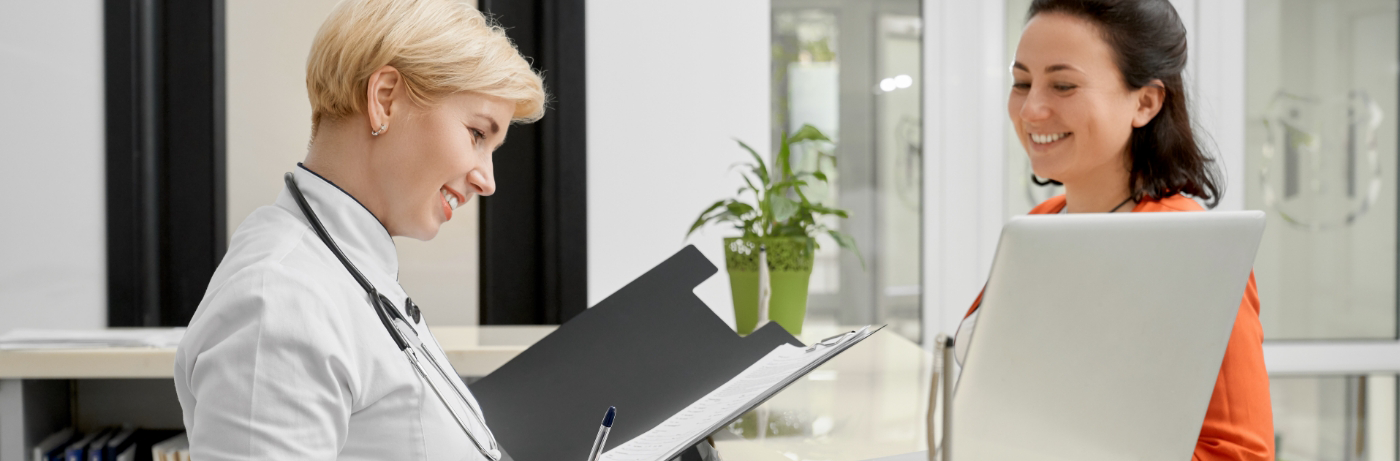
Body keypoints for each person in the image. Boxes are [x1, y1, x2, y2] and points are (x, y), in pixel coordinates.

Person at [173, 0, 545, 459]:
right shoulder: (277, 301)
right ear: (385, 98)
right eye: (476, 134)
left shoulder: (350, 272)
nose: (487, 181)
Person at [954, 0, 1274, 459]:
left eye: (1063, 85)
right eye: (1022, 83)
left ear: (1145, 102)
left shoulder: (1188, 250)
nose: (1031, 110)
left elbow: (1239, 452)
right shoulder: (1044, 221)